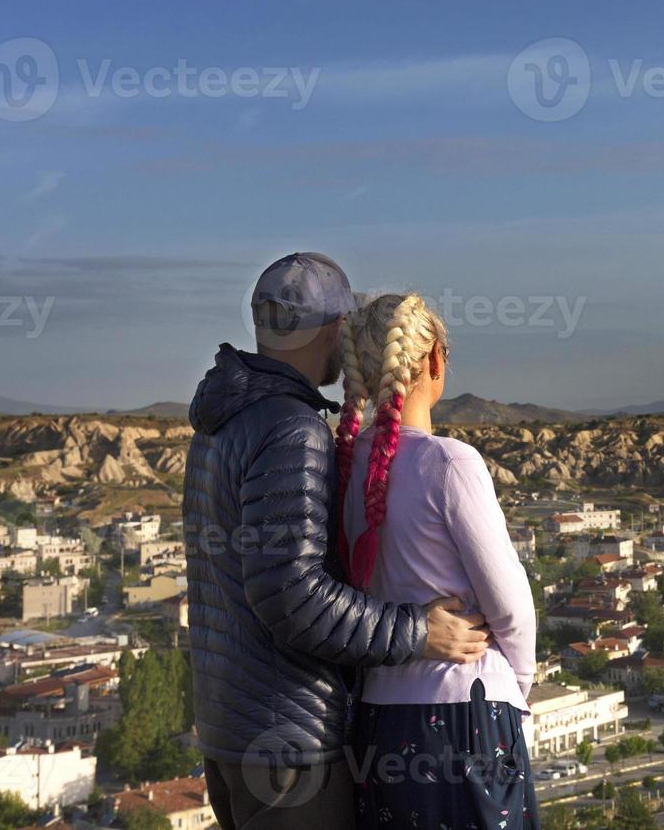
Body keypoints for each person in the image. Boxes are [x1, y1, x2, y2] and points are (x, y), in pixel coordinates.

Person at [182, 253, 492, 830]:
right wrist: (420, 631)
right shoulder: (290, 429)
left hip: (232, 729)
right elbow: (293, 597)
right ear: (333, 327)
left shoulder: (221, 422)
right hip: (291, 745)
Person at [336, 293, 539, 829]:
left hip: (377, 721)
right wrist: (511, 688)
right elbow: (510, 605)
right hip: (467, 716)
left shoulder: (340, 468)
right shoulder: (450, 462)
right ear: (434, 361)